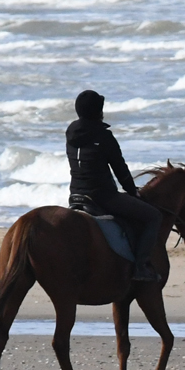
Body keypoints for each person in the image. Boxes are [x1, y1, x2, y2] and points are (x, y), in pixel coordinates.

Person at [66, 89, 162, 282]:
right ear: (97, 112)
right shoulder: (103, 135)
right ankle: (141, 267)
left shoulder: (71, 133)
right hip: (103, 197)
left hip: (75, 195)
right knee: (154, 216)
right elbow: (120, 169)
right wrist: (132, 192)